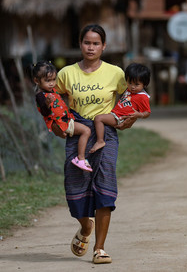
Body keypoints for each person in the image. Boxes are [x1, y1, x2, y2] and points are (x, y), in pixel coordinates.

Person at [53, 24, 136, 264]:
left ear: (104, 46)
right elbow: (53, 101)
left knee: (105, 189)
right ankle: (85, 226)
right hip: (77, 132)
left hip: (105, 133)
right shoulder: (66, 73)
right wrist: (57, 126)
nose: (91, 47)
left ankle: (99, 248)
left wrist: (126, 119)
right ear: (80, 44)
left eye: (96, 43)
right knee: (74, 188)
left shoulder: (116, 73)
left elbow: (130, 97)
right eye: (87, 42)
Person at [32, 61, 92, 171]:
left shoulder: (53, 90)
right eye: (47, 81)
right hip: (61, 123)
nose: (51, 83)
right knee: (86, 131)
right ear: (36, 81)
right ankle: (81, 158)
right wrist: (47, 104)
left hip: (66, 120)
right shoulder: (41, 96)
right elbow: (45, 113)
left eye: (53, 80)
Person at [89, 63, 151, 153]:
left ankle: (100, 141)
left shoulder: (143, 97)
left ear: (144, 84)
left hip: (120, 117)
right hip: (115, 114)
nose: (132, 87)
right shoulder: (129, 89)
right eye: (130, 83)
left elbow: (147, 112)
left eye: (136, 84)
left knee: (98, 118)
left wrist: (139, 115)